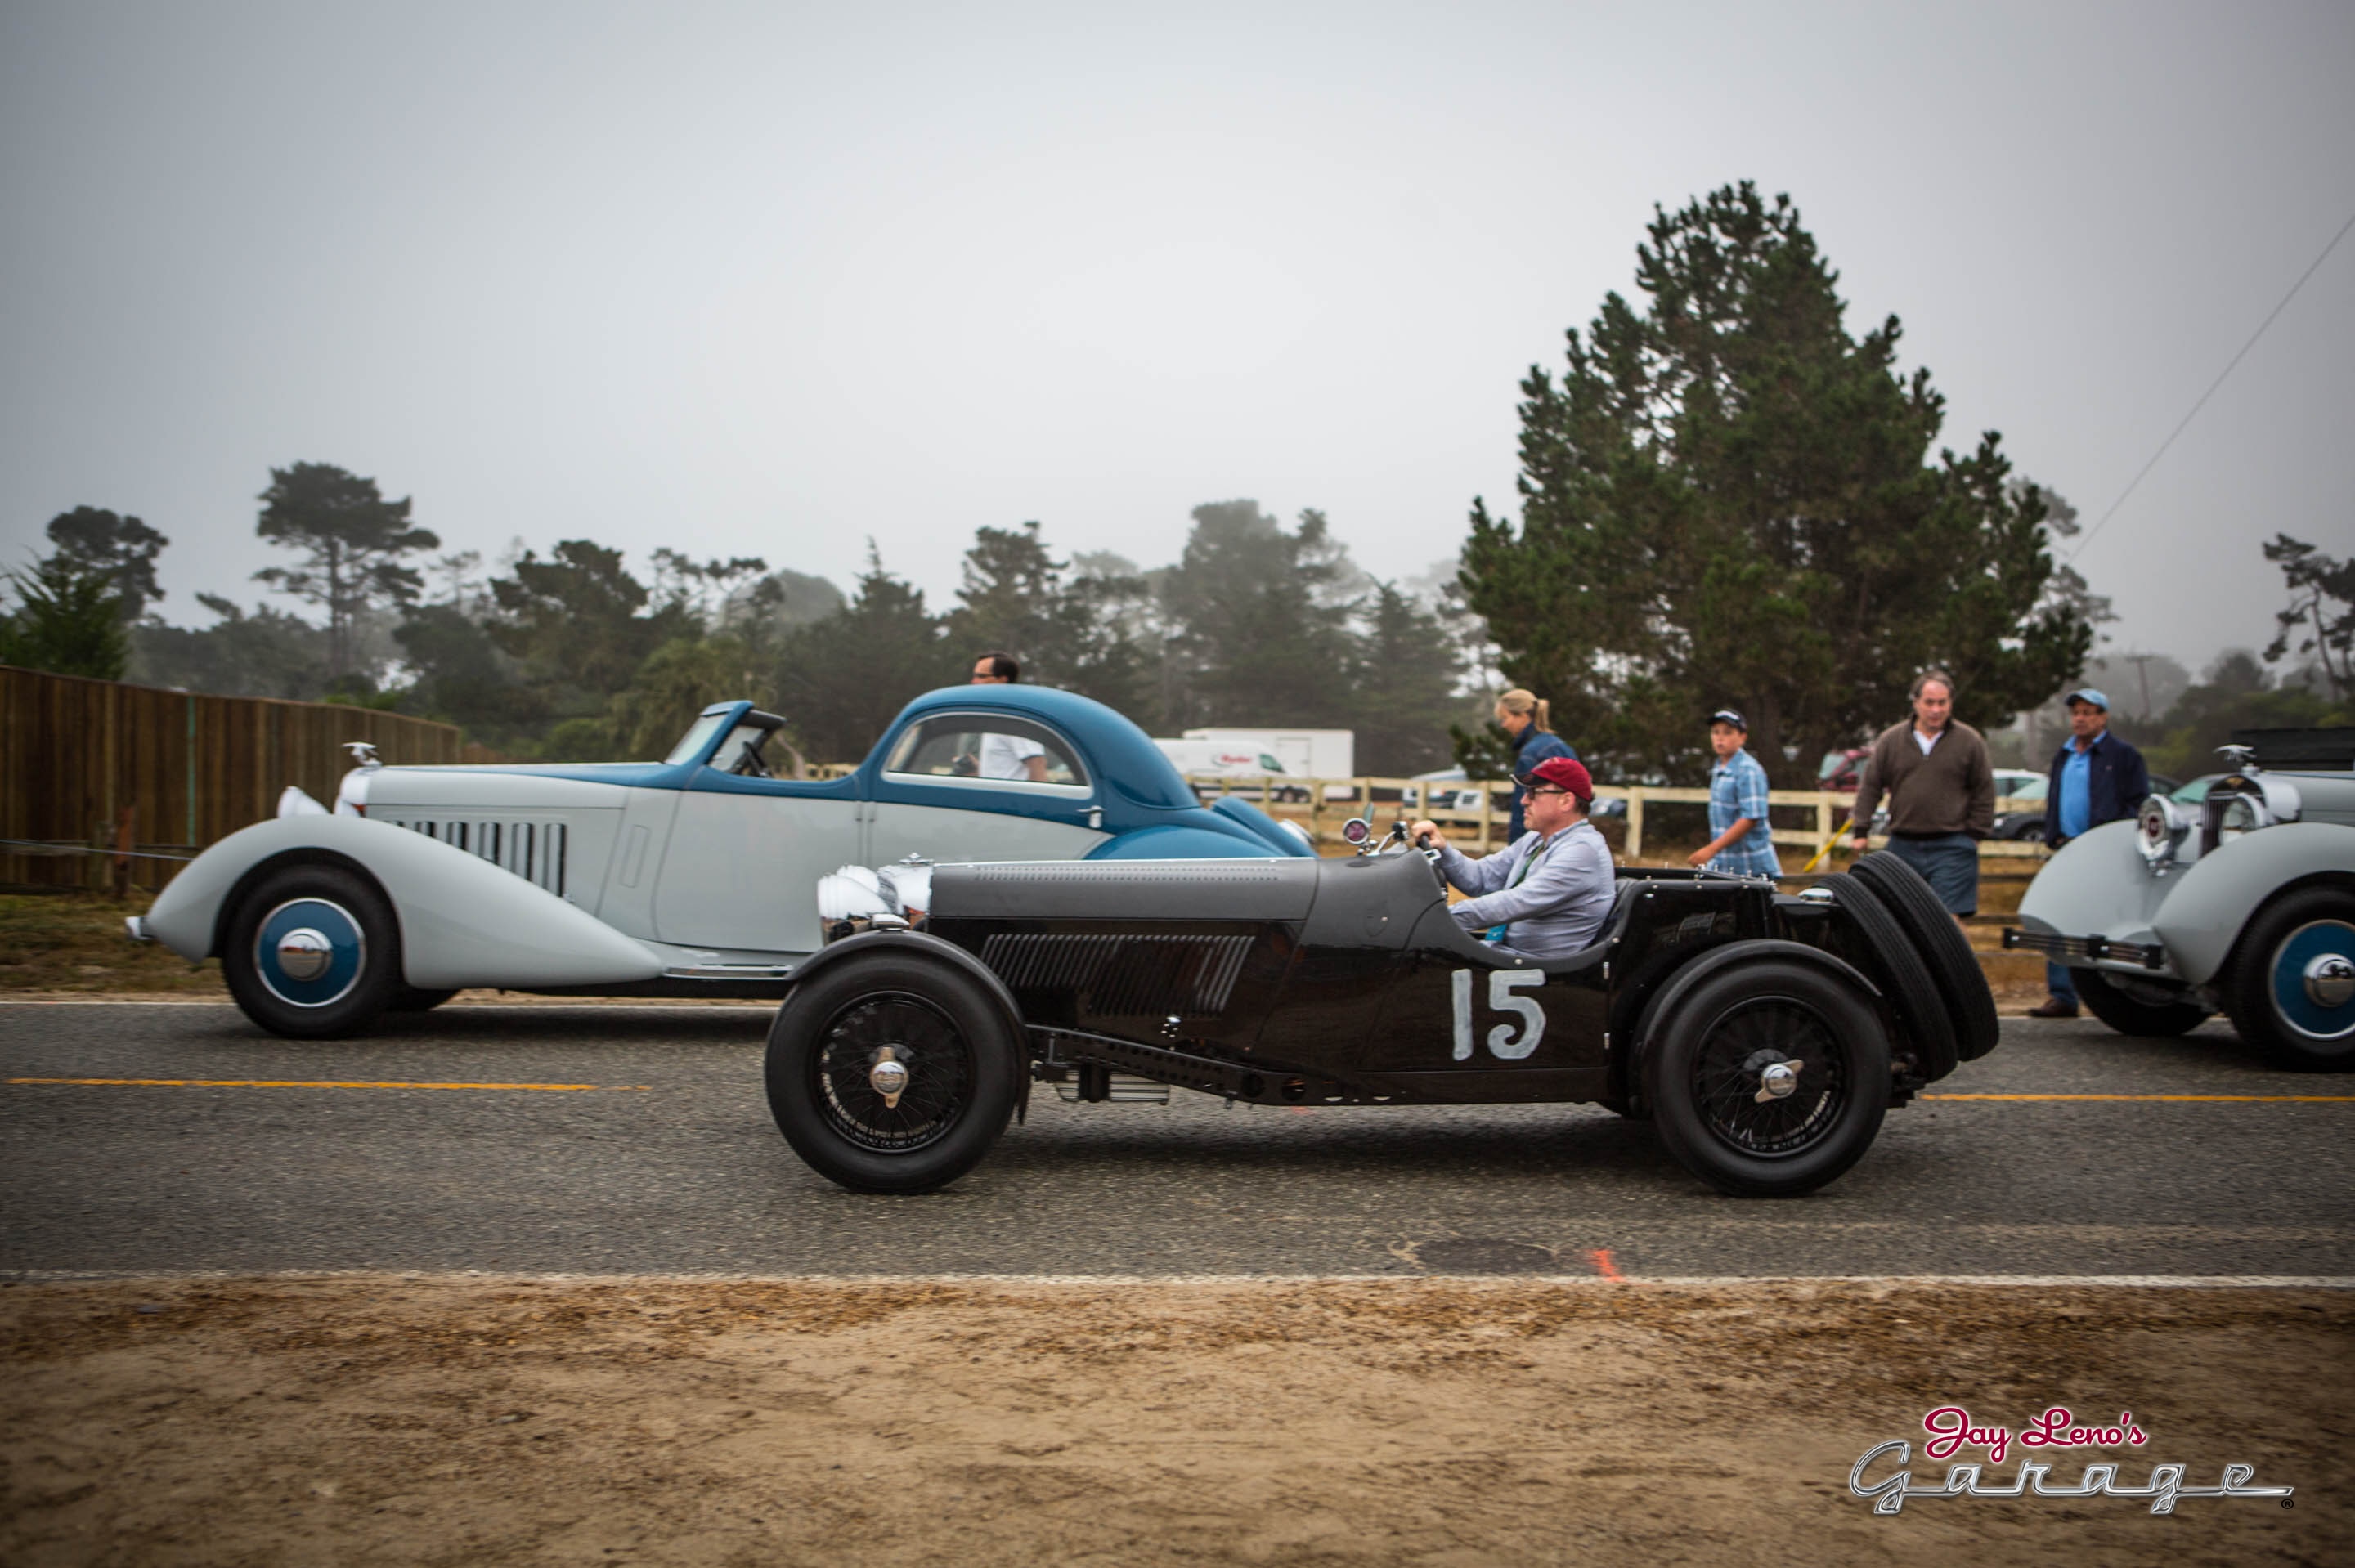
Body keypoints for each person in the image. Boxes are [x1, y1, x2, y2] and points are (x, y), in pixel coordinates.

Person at [1409, 756, 1617, 961]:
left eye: (1534, 793)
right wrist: (1443, 850)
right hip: (1506, 956)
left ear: (1566, 801)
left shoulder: (1582, 852)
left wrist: (1429, 920)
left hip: (1534, 970)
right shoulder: (1537, 839)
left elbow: (1512, 903)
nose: (1524, 801)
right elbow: (1481, 878)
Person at [2028, 687, 2152, 1019]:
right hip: (2067, 849)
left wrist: (2112, 831)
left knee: (2104, 922)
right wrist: (2052, 833)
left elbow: (2139, 801)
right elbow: (2055, 797)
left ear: (2103, 717)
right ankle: (2062, 996)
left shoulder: (2123, 755)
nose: (2080, 719)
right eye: (2076, 713)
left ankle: (2112, 995)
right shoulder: (2065, 754)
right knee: (2056, 917)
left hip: (2104, 850)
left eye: (2087, 712)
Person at [1849, 670, 1995, 921]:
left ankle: (1953, 962)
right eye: (1929, 703)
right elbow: (1871, 786)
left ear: (1951, 704)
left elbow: (1984, 790)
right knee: (1899, 918)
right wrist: (1861, 830)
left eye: (1942, 703)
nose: (1936, 710)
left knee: (1948, 922)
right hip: (1902, 843)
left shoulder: (1969, 741)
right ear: (1916, 703)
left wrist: (1974, 835)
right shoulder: (1891, 741)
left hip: (1953, 844)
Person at [1689, 709, 1780, 877]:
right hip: (1724, 863)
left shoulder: (1748, 770)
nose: (1720, 738)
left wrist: (1711, 849)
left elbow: (1751, 817)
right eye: (1715, 732)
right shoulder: (1719, 768)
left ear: (1742, 737)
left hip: (1751, 865)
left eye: (1728, 733)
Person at [1495, 688, 1576, 841]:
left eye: (1505, 718)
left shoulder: (1531, 753)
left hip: (1540, 838)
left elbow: (1524, 804)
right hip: (1567, 832)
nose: (1504, 725)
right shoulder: (1557, 745)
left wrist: (1517, 846)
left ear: (1523, 716)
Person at [967, 651, 1047, 782]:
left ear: (1002, 680)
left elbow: (1037, 762)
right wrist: (975, 767)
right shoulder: (996, 716)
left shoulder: (1013, 719)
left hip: (1012, 800)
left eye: (981, 676)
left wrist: (1036, 801)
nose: (973, 681)